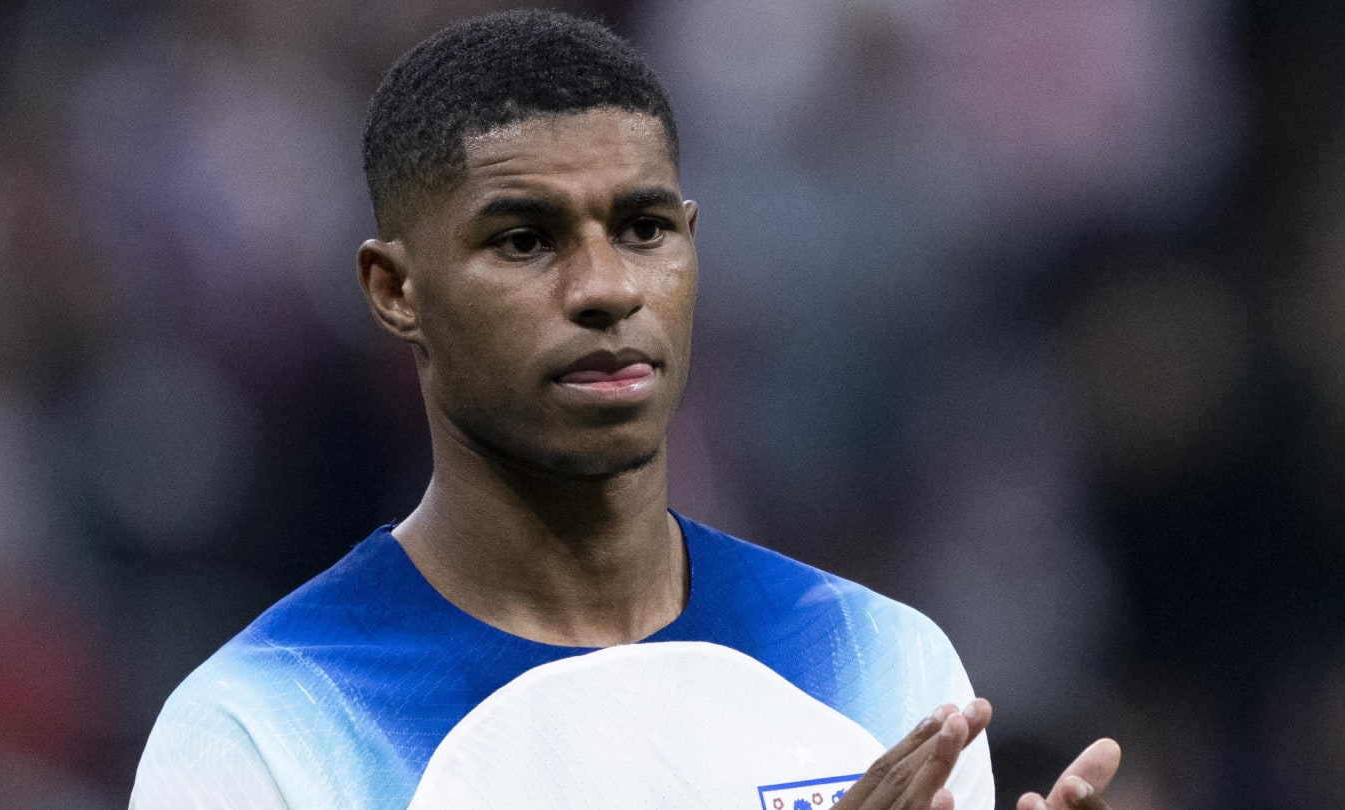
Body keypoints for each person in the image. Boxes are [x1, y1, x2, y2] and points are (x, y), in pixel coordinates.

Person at [130, 9, 1119, 810]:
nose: (607, 287)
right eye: (525, 240)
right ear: (397, 290)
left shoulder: (892, 669)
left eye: (644, 229)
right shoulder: (259, 734)